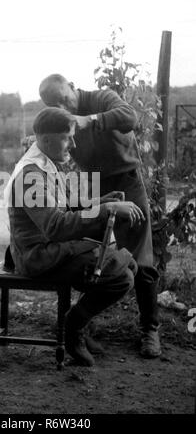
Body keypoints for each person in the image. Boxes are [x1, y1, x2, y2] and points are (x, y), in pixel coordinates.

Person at [5, 107, 145, 366]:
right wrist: (106, 210)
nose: (74, 143)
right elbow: (55, 225)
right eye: (68, 137)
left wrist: (100, 201)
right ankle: (72, 326)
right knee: (121, 278)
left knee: (128, 267)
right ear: (47, 139)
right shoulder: (31, 174)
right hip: (37, 256)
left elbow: (64, 203)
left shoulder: (44, 161)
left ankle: (80, 322)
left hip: (51, 249)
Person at [39, 74, 161, 358]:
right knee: (92, 254)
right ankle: (81, 327)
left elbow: (128, 117)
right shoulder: (59, 114)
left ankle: (150, 330)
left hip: (126, 180)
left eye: (63, 97)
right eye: (52, 103)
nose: (61, 105)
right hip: (92, 184)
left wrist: (89, 120)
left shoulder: (102, 97)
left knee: (140, 255)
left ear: (71, 84)